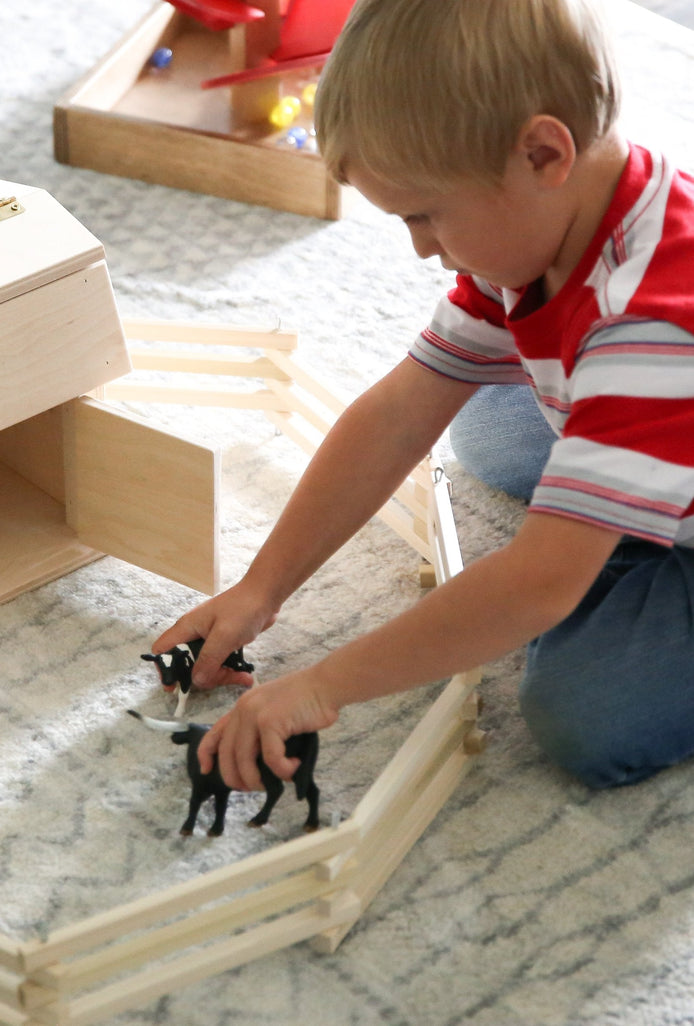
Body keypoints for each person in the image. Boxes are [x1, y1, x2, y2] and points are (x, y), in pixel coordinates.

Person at [152, 0, 694, 793]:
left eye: (426, 216)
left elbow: (537, 584)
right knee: (481, 424)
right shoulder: (555, 224)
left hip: (669, 432)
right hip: (656, 422)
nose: (420, 250)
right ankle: (603, 513)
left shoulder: (650, 330)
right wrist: (260, 589)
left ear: (543, 154)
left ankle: (611, 534)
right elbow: (402, 411)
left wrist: (321, 686)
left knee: (585, 714)